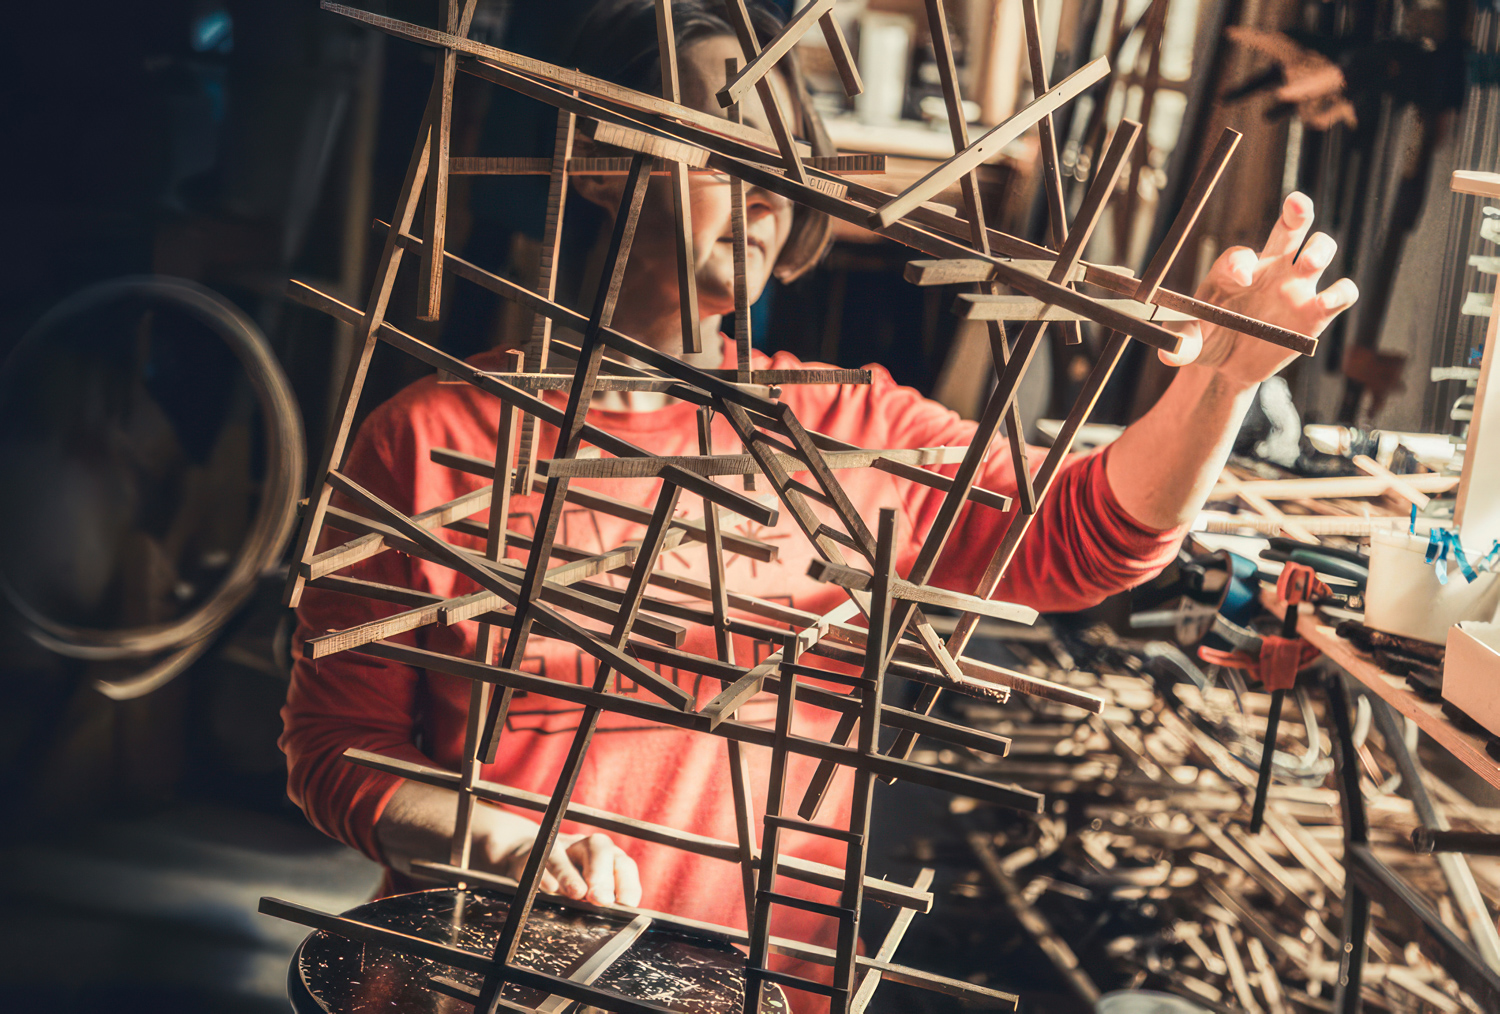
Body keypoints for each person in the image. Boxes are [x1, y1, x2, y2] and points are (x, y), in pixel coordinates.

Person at [280, 0, 1358, 1001]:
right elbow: (338, 752)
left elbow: (1087, 537)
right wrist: (510, 842)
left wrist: (1215, 384)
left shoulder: (851, 426)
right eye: (720, 136)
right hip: (482, 985)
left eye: (780, 147)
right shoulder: (431, 438)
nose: (764, 184)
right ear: (601, 164)